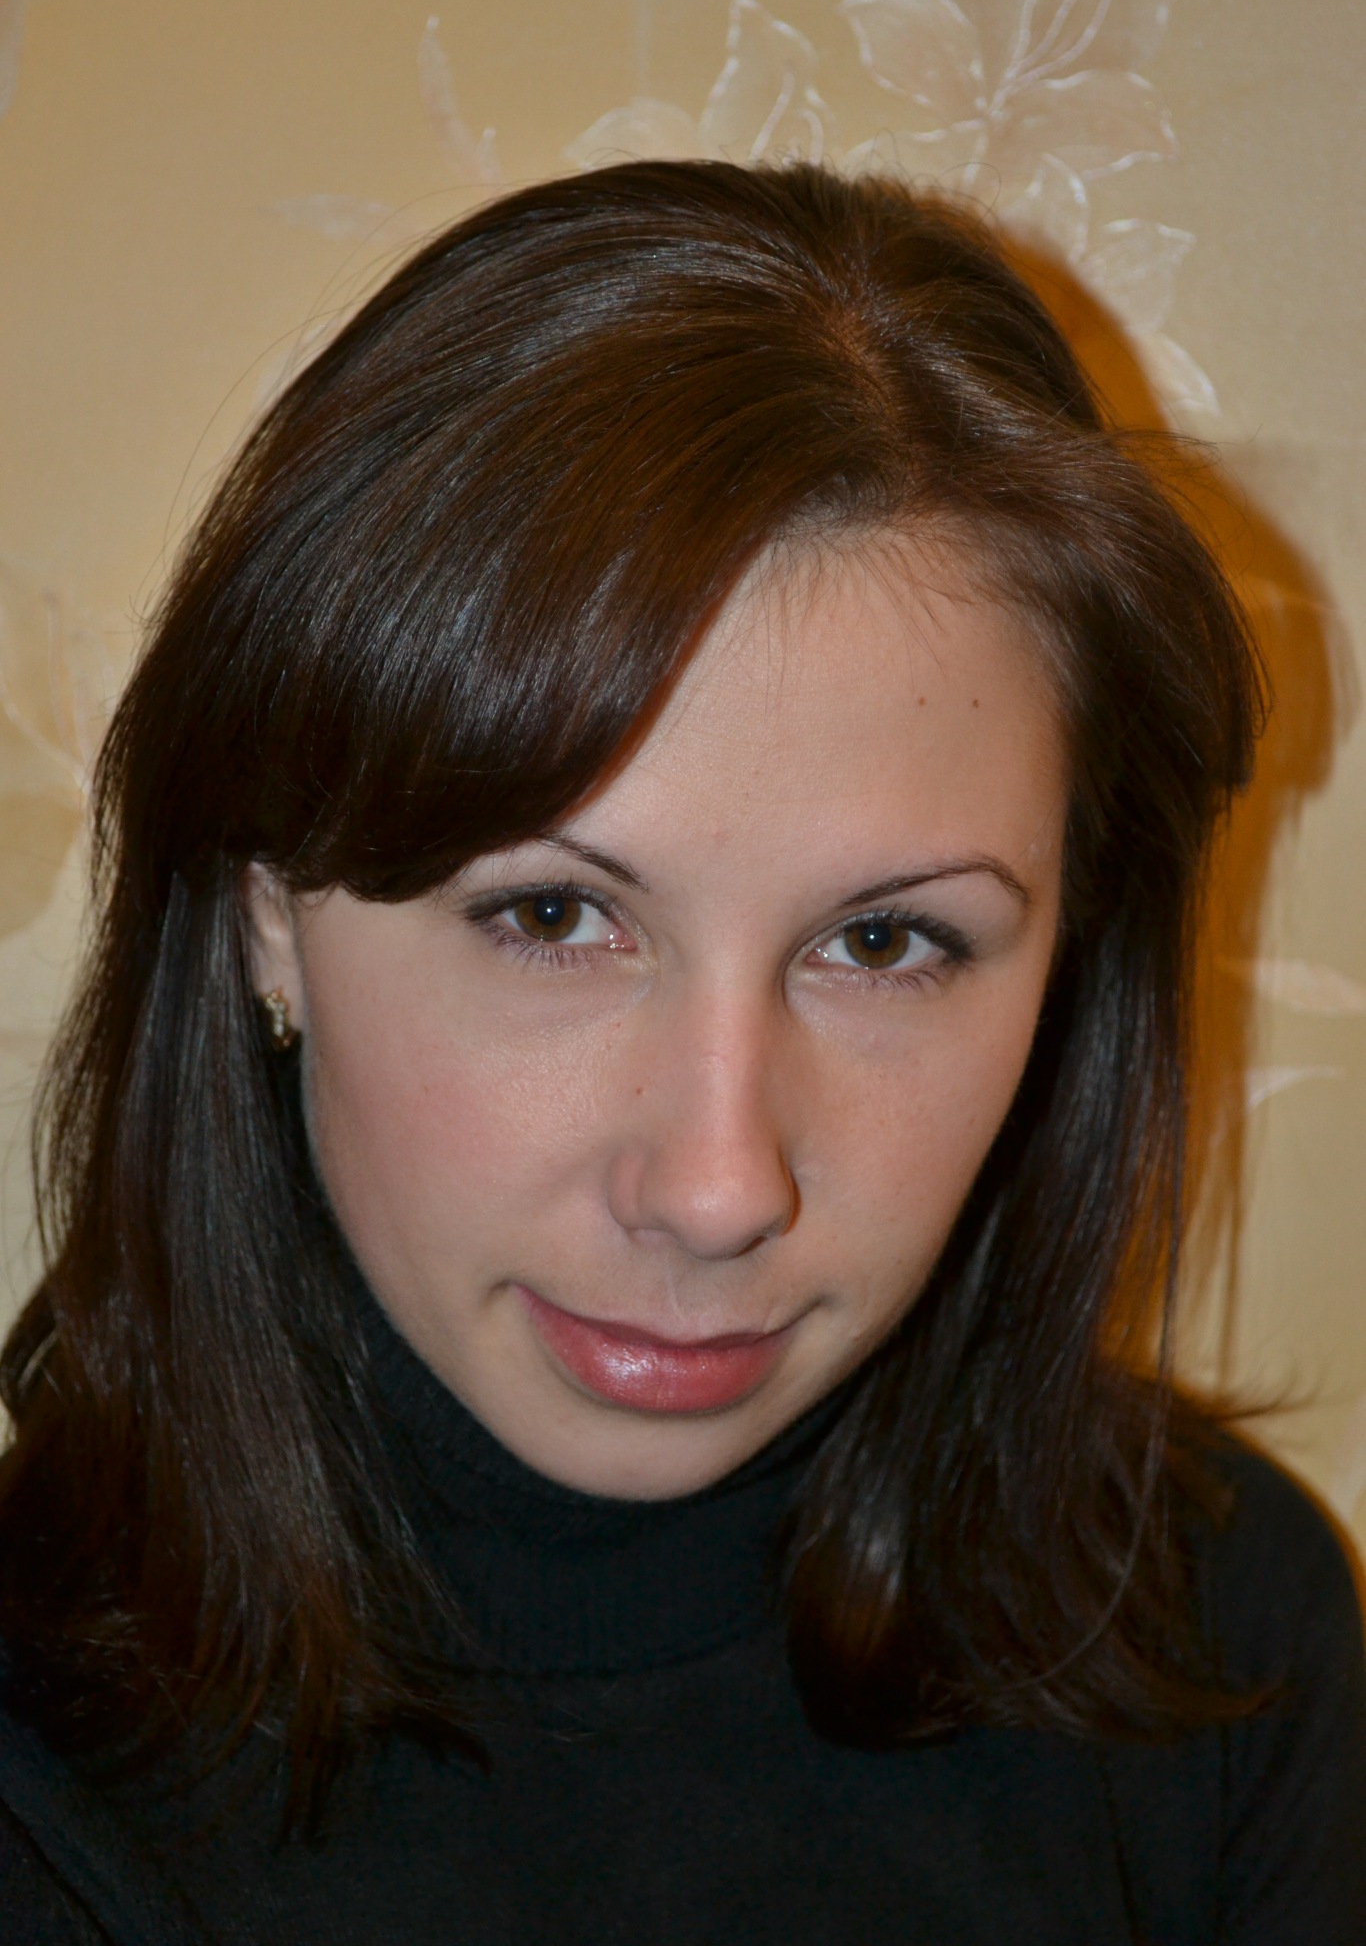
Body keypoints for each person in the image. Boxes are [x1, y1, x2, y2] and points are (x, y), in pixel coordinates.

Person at [0, 160, 1361, 1945]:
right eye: (552, 915)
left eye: (884, 944)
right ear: (268, 908)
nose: (718, 1191)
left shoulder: (1223, 1637)